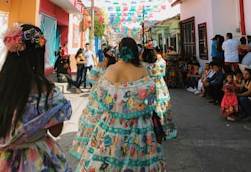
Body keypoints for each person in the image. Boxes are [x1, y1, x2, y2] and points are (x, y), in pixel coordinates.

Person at [75, 37, 166, 171]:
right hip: (140, 124)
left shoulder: (112, 70)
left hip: (114, 123)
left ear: (120, 50)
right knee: (140, 157)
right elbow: (151, 97)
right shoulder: (143, 70)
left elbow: (100, 97)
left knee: (111, 157)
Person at [0, 23, 72, 171]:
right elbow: (56, 131)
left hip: (0, 159)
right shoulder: (48, 89)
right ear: (39, 54)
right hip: (37, 160)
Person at [70, 46, 117, 160]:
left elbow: (92, 80)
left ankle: (90, 145)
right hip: (111, 98)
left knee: (92, 119)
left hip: (97, 97)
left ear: (104, 55)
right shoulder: (116, 67)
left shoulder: (100, 66)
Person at [142, 44, 177, 140]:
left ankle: (151, 131)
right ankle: (167, 130)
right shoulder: (161, 62)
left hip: (147, 88)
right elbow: (161, 59)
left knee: (148, 110)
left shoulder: (142, 65)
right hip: (160, 88)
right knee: (163, 109)